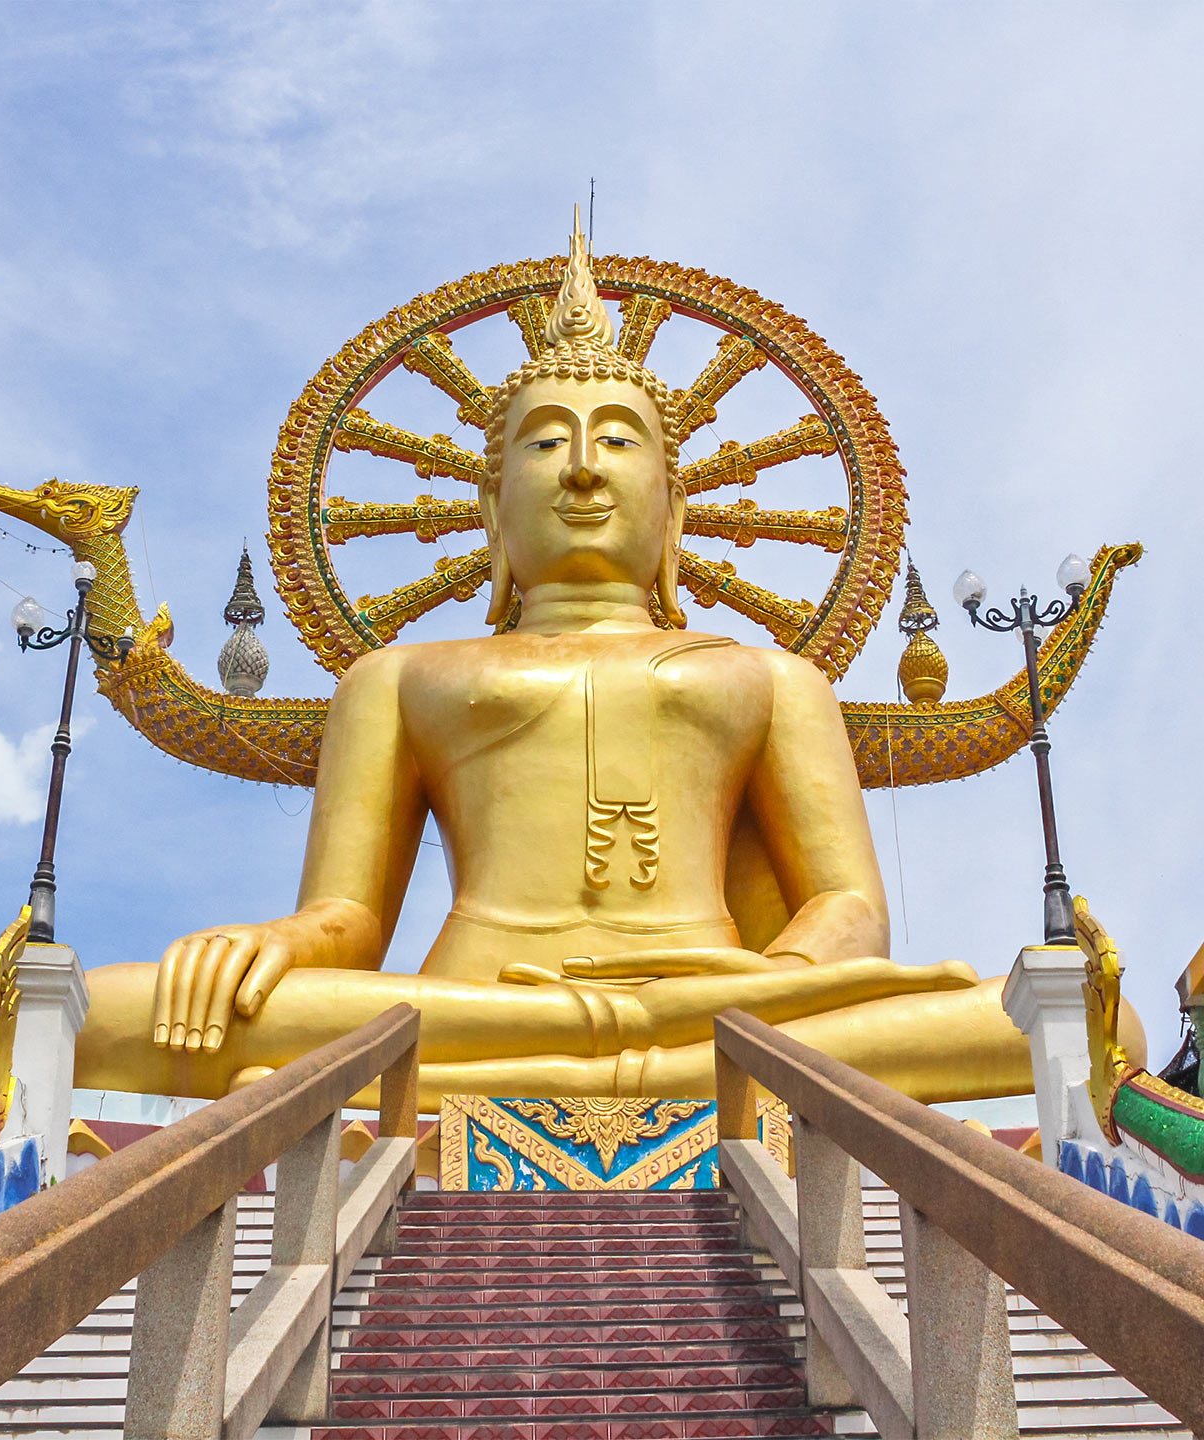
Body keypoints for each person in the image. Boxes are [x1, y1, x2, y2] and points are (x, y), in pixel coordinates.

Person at [76, 217, 1140, 1108]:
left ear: (676, 506)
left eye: (618, 441)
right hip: (482, 1000)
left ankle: (479, 1083)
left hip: (722, 996)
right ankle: (656, 1070)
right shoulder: (398, 679)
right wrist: (273, 945)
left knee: (1100, 1019)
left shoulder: (770, 679)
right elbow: (349, 922)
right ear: (488, 505)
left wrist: (770, 979)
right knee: (103, 1014)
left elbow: (849, 912)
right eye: (542, 442)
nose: (581, 469)